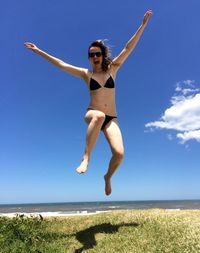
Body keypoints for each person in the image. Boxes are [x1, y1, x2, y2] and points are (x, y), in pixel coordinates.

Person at [24, 10, 153, 196]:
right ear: (89, 57)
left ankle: (107, 177)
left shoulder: (113, 70)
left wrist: (142, 26)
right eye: (91, 54)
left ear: (102, 55)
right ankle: (86, 157)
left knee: (119, 154)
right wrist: (38, 51)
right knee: (98, 115)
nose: (94, 57)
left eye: (97, 54)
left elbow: (127, 48)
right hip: (92, 113)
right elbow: (61, 64)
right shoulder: (86, 74)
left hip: (112, 118)